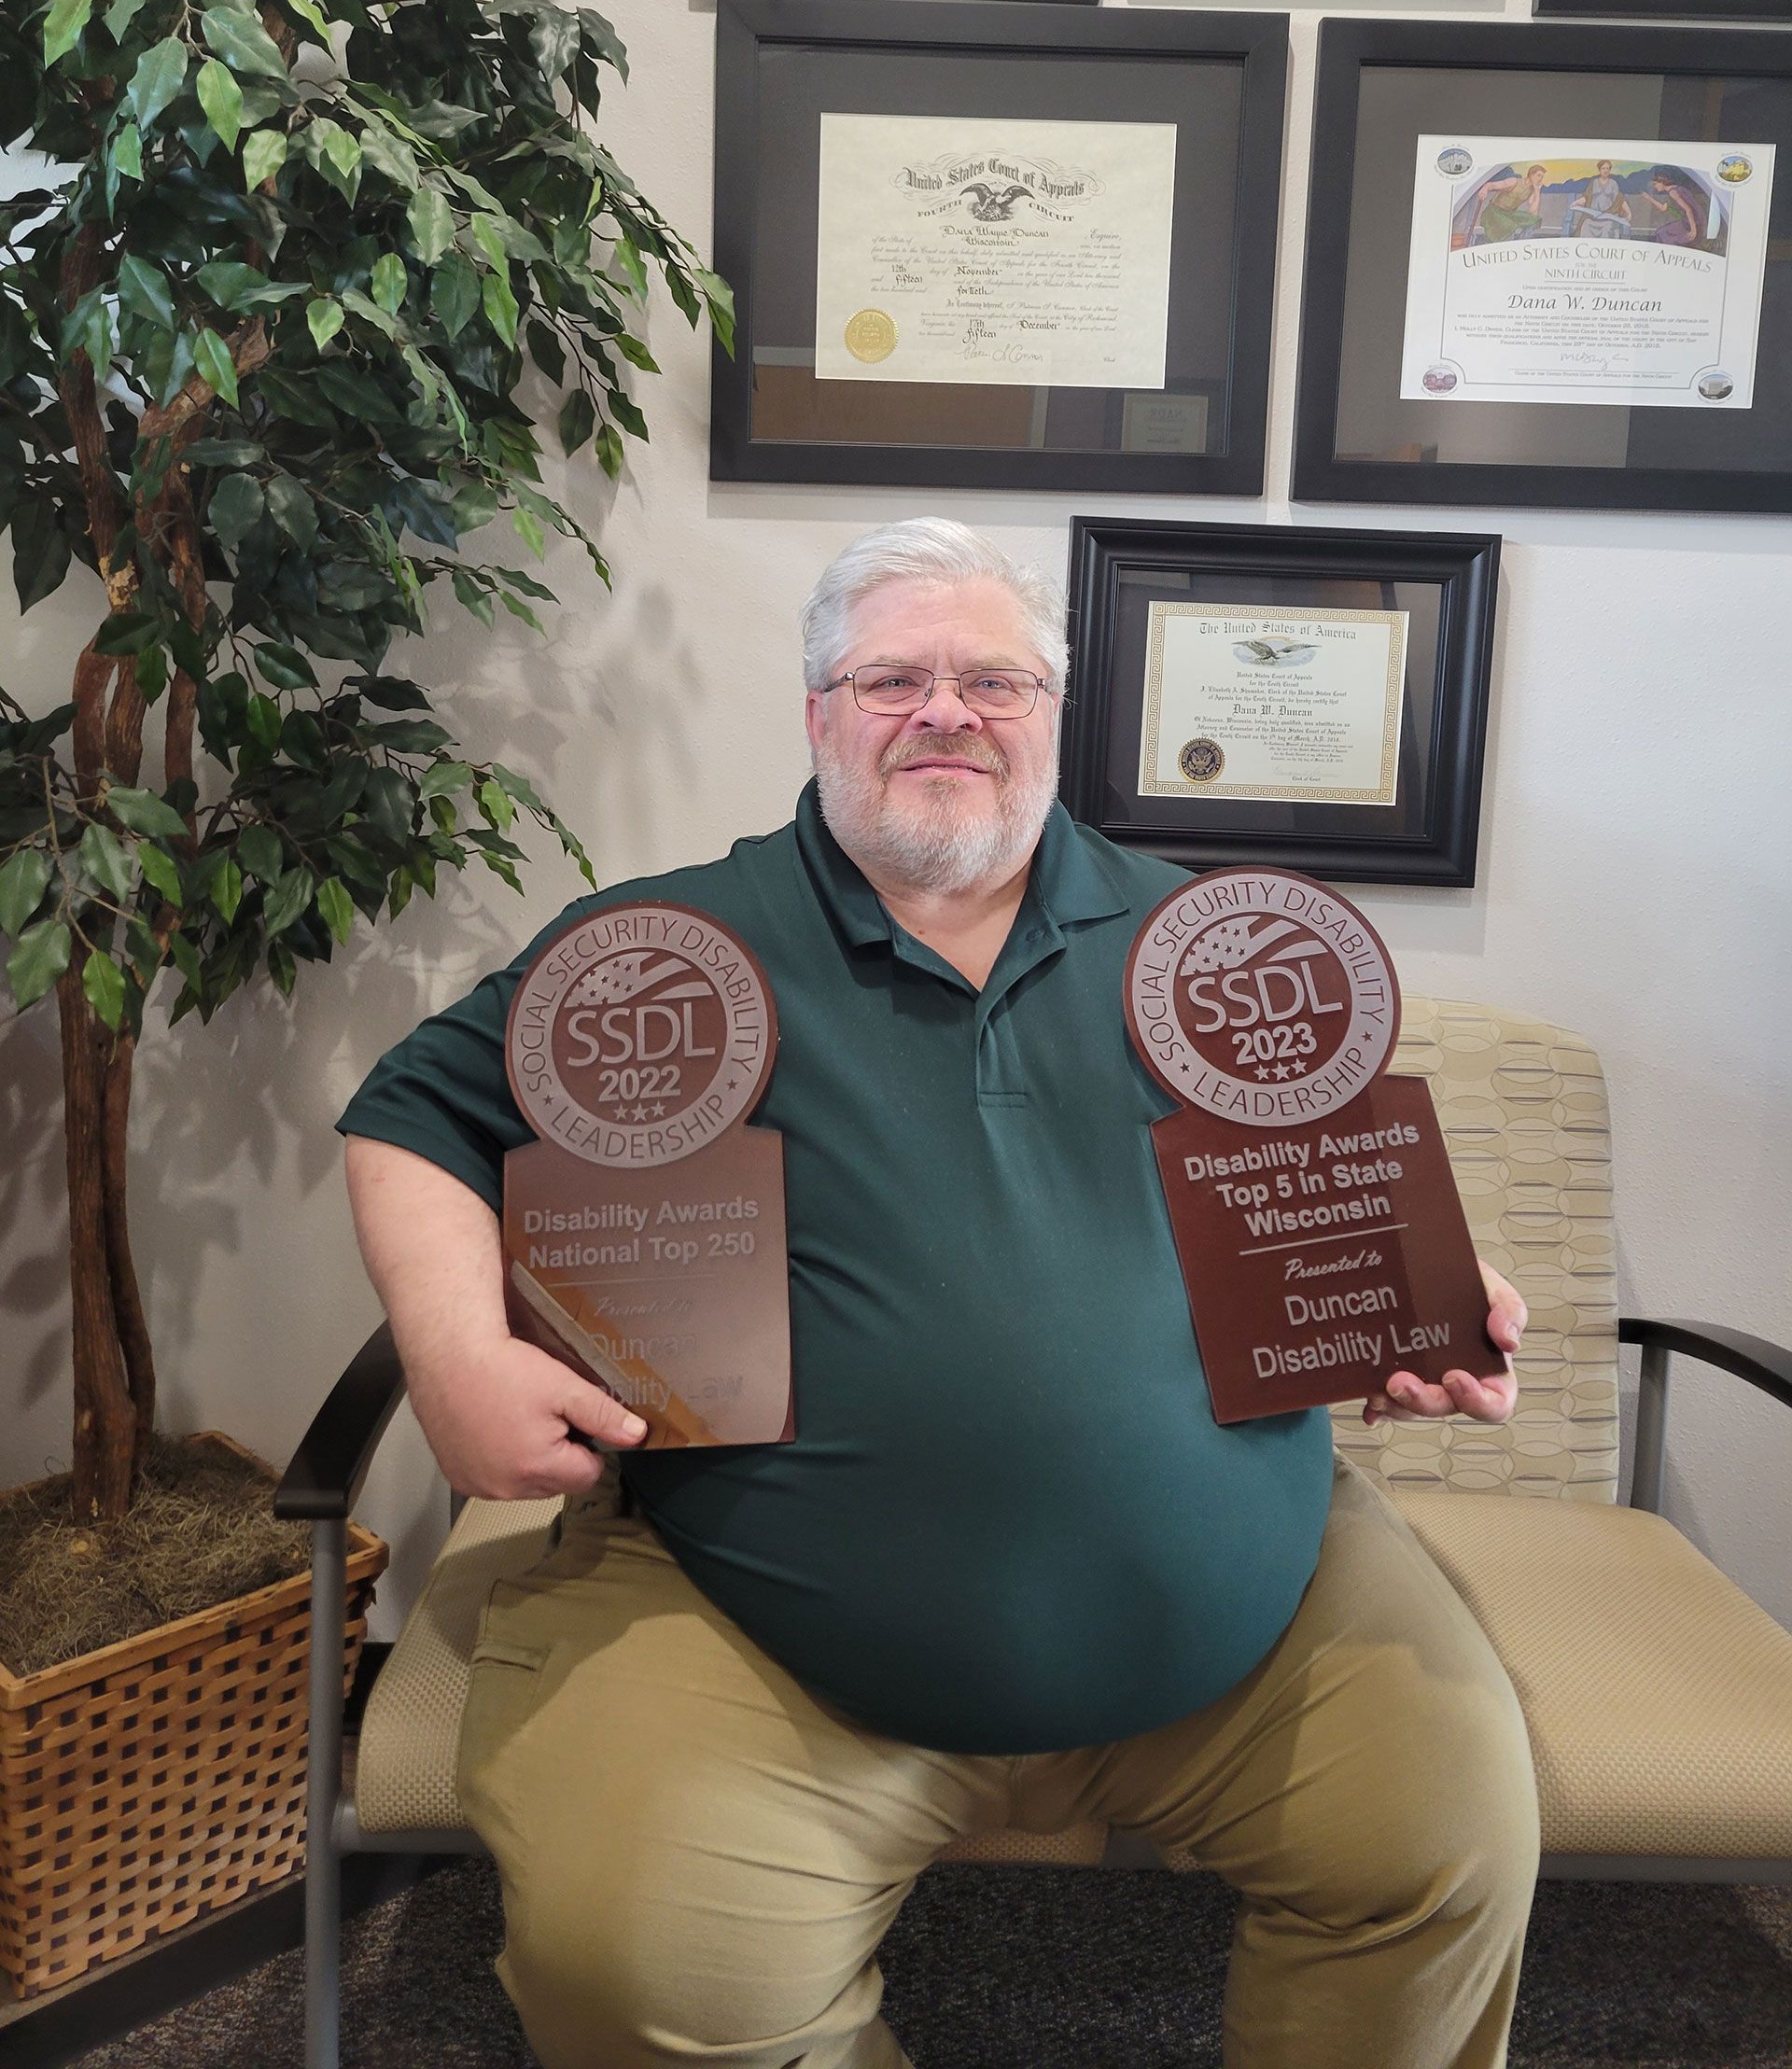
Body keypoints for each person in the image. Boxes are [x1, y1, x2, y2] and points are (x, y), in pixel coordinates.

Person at [338, 518, 1539, 2069]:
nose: (948, 713)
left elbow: (1331, 1210)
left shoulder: (1214, 942)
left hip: (1254, 1613)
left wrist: (1426, 1291)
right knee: (644, 1977)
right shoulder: (666, 948)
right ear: (820, 715)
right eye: (892, 676)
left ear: (1053, 711)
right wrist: (451, 1353)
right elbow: (412, 1113)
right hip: (755, 1616)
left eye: (996, 680)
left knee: (1441, 1853)